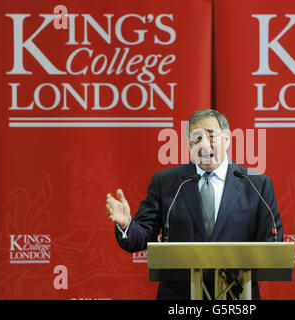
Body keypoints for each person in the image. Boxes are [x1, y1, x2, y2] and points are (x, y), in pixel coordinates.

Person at [106, 109, 283, 299]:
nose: (205, 145)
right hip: (179, 297)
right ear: (189, 144)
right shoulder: (166, 181)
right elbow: (141, 236)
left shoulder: (256, 183)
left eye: (211, 136)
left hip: (237, 296)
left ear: (227, 138)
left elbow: (271, 243)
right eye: (197, 139)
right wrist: (126, 225)